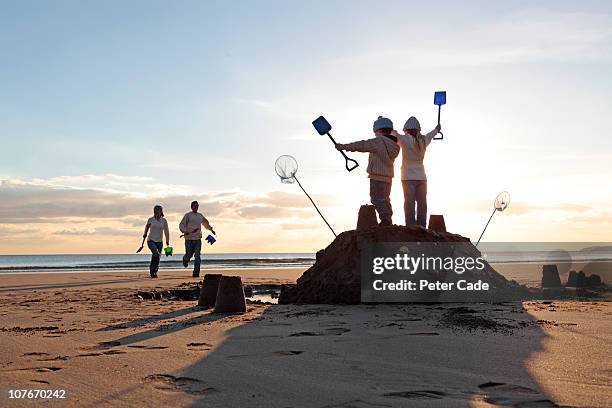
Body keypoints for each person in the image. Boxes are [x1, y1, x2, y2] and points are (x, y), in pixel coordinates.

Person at [335, 116, 400, 226]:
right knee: (384, 199)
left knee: (376, 198)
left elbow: (362, 145)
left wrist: (344, 146)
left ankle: (385, 220)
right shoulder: (394, 145)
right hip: (388, 177)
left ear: (378, 130)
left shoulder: (379, 142)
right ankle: (387, 218)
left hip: (377, 176)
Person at [393, 116, 441, 227]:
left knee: (409, 204)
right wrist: (436, 129)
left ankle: (410, 226)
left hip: (407, 177)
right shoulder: (423, 140)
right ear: (418, 130)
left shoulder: (404, 140)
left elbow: (393, 133)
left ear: (406, 130)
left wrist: (385, 124)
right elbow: (430, 135)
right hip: (421, 177)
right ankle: (421, 227)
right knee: (422, 205)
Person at [179, 201, 216, 277]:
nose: (196, 207)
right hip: (188, 239)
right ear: (191, 207)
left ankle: (196, 273)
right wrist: (185, 231)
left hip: (197, 239)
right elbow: (181, 225)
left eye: (197, 206)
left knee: (197, 256)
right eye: (194, 206)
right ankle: (185, 259)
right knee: (189, 255)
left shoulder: (200, 216)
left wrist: (211, 229)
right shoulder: (188, 215)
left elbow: (206, 224)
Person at [142, 205, 170, 278]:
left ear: (161, 211)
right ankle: (152, 270)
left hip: (160, 242)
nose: (157, 212)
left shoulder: (164, 220)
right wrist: (145, 233)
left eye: (158, 210)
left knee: (158, 257)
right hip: (151, 240)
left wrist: (167, 241)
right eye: (156, 210)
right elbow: (147, 227)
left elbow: (166, 231)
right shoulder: (151, 219)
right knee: (155, 253)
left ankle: (155, 271)